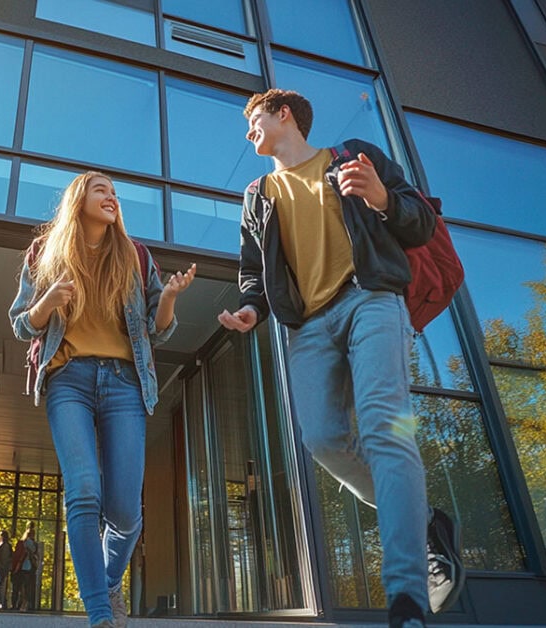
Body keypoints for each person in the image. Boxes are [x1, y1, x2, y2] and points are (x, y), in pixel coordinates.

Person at [217, 89, 464, 628]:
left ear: (284, 114)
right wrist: (250, 312)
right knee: (324, 440)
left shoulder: (351, 154)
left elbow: (418, 223)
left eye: (252, 120)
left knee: (384, 428)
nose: (248, 132)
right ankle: (423, 521)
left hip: (370, 299)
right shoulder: (257, 194)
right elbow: (253, 274)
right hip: (308, 328)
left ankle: (407, 598)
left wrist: (381, 198)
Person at [9, 171, 195, 628]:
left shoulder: (135, 255)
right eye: (101, 191)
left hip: (124, 383)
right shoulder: (45, 252)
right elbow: (22, 324)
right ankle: (99, 613)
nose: (111, 198)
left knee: (126, 511)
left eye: (114, 193)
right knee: (84, 490)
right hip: (68, 379)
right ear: (79, 199)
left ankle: (109, 582)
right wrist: (48, 300)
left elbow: (156, 327)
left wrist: (168, 296)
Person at [11, 521, 39, 612]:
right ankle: (25, 604)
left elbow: (17, 555)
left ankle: (19, 604)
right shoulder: (34, 544)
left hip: (22, 567)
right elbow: (35, 554)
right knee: (27, 587)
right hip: (29, 567)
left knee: (21, 587)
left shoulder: (23, 543)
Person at [0, 529, 13, 609]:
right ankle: (4, 603)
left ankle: (0, 603)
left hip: (0, 568)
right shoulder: (9, 546)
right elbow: (10, 558)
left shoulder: (1, 546)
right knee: (4, 586)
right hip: (6, 568)